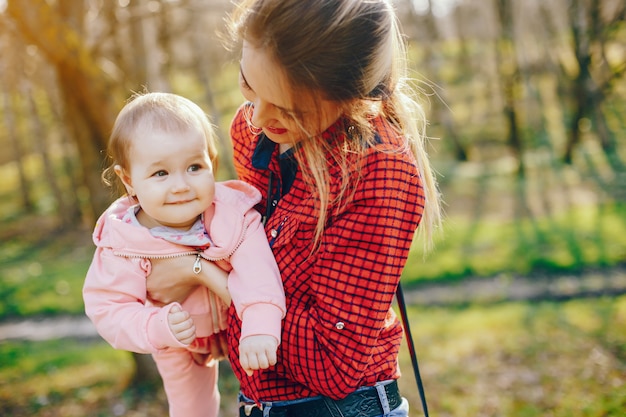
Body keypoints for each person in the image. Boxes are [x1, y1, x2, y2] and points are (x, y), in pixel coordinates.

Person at [147, 1, 443, 416]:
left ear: (351, 97)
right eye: (249, 84)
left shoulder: (378, 172)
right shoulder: (253, 134)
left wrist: (203, 276)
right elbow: (248, 250)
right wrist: (212, 318)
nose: (258, 117)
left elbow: (332, 364)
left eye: (290, 108)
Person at [82, 92, 286, 417]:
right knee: (192, 409)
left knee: (271, 384)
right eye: (160, 173)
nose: (180, 186)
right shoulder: (123, 242)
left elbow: (258, 271)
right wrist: (157, 327)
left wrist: (260, 324)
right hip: (178, 338)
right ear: (128, 180)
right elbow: (108, 308)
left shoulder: (232, 214)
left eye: (194, 167)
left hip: (240, 324)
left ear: (213, 164)